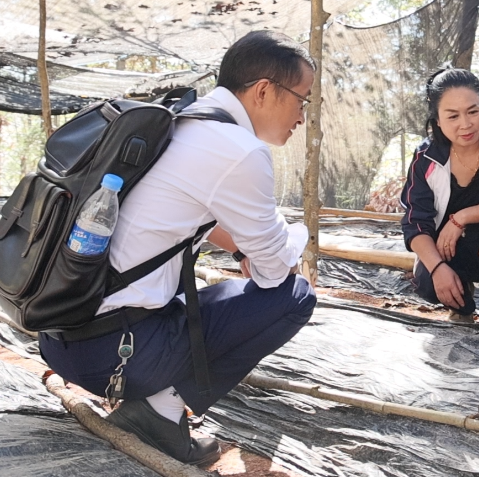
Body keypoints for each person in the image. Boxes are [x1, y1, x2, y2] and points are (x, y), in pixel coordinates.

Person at [38, 31, 318, 465]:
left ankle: (154, 402)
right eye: (303, 99)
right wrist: (293, 238)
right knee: (294, 296)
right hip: (115, 357)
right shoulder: (239, 150)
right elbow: (275, 272)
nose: (303, 115)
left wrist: (243, 249)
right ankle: (160, 412)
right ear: (265, 90)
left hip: (60, 337)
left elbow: (184, 218)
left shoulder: (178, 122)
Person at [400, 68, 479, 323]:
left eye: (473, 111)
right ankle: (462, 305)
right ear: (437, 120)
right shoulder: (425, 157)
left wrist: (462, 217)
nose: (466, 124)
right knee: (427, 281)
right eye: (452, 116)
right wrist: (437, 269)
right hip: (453, 248)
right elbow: (415, 221)